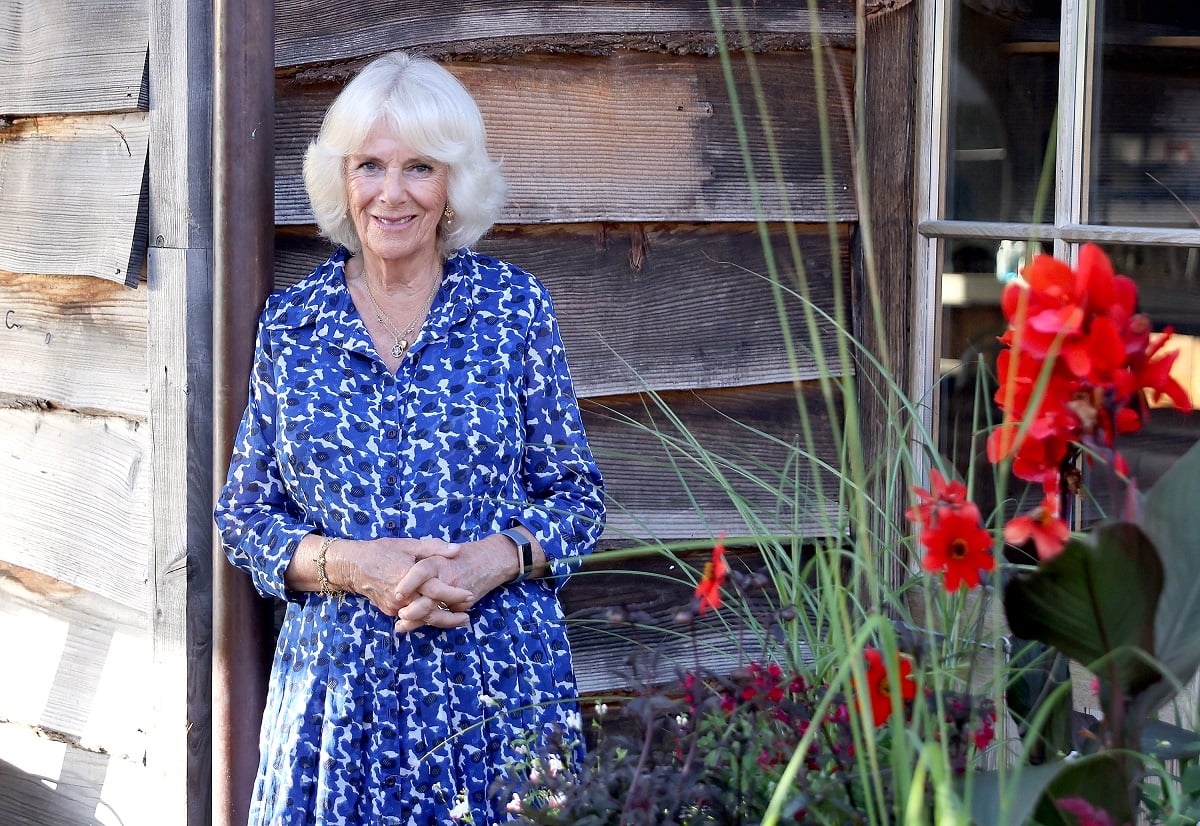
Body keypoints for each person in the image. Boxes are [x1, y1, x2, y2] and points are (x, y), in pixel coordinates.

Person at [214, 51, 605, 825]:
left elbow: (578, 496)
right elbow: (247, 517)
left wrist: (494, 560)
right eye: (370, 167)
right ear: (342, 179)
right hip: (337, 700)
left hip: (497, 688)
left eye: (419, 167)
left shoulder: (513, 309)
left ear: (453, 185)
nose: (391, 194)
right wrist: (357, 566)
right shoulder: (293, 325)